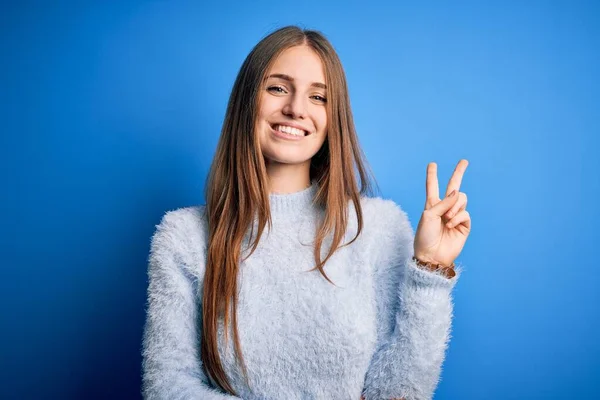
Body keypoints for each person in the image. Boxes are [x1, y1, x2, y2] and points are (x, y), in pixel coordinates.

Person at [141, 25, 471, 400]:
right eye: (277, 88)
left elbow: (399, 392)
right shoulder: (182, 237)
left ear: (335, 119)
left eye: (318, 97)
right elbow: (167, 387)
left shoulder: (380, 227)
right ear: (247, 101)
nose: (296, 109)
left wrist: (430, 269)